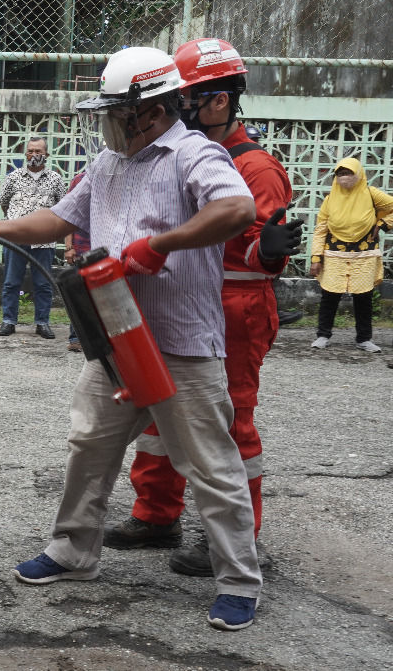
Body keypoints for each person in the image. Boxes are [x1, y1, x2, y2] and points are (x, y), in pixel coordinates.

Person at [0, 47, 262, 631]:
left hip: (182, 342)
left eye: (119, 113)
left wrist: (160, 244)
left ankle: (239, 579)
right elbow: (61, 219)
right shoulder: (109, 163)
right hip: (117, 337)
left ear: (153, 109)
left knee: (210, 465)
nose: (110, 124)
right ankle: (73, 550)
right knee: (89, 443)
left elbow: (238, 208)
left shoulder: (194, 153)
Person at [102, 37, 303, 578]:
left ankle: (235, 540)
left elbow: (257, 247)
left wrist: (267, 252)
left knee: (228, 422)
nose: (170, 109)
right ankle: (156, 514)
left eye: (183, 98)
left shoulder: (255, 168)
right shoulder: (170, 153)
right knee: (156, 413)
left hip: (235, 304)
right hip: (180, 297)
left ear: (217, 102)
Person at [309, 158, 393, 352]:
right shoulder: (330, 199)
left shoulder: (371, 194)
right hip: (334, 255)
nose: (344, 177)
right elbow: (321, 229)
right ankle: (323, 335)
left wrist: (382, 224)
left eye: (348, 173)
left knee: (363, 298)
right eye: (340, 173)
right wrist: (316, 259)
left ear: (359, 174)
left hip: (364, 255)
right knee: (329, 296)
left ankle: (364, 339)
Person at [0, 138, 65, 339]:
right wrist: (16, 224)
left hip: (44, 240)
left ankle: (42, 323)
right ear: (25, 154)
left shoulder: (56, 179)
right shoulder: (13, 177)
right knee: (11, 282)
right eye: (30, 151)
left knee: (43, 284)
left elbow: (62, 208)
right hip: (15, 239)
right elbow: (4, 204)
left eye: (38, 151)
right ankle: (8, 321)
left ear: (46, 155)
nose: (34, 155)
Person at [62, 170, 90, 353]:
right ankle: (76, 338)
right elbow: (67, 215)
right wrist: (69, 246)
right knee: (79, 296)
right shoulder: (80, 180)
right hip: (82, 247)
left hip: (108, 249)